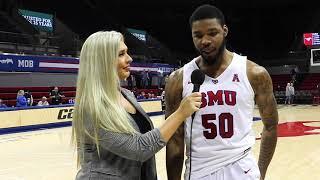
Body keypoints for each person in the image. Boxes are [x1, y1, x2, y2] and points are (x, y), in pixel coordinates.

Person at [165, 5, 278, 180]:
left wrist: (261, 173)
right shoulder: (177, 80)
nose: (205, 41)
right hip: (198, 172)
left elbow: (270, 126)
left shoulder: (254, 74)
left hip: (242, 170)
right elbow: (175, 141)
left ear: (224, 30)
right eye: (198, 35)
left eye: (212, 33)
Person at [71, 31, 202, 180]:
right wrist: (180, 114)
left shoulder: (127, 95)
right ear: (103, 61)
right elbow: (139, 149)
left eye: (127, 52)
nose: (130, 59)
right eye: (121, 54)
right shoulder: (92, 108)